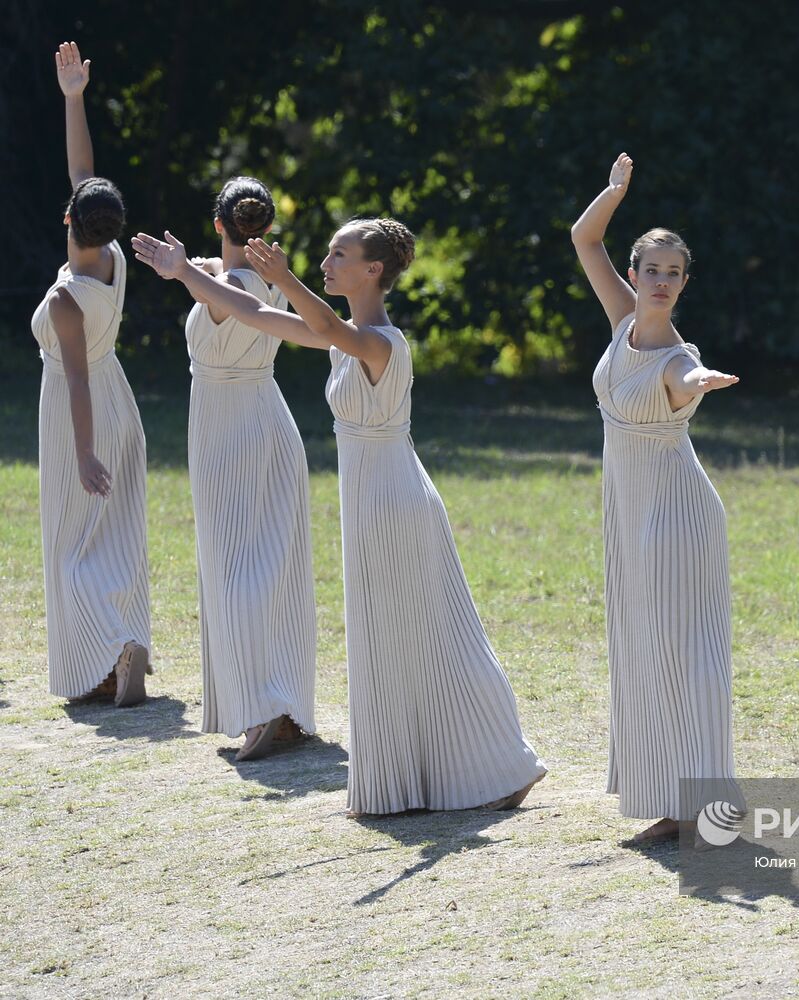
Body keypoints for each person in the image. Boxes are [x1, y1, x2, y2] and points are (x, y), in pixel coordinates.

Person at [131, 221, 546, 814]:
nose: (328, 260)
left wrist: (286, 278)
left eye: (340, 254)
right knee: (398, 644)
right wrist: (185, 274)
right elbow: (254, 311)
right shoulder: (345, 337)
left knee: (439, 639)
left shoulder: (381, 342)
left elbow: (322, 323)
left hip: (398, 507)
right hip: (370, 508)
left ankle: (504, 764)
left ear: (373, 270)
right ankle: (428, 776)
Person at [571, 153, 740, 844]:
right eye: (653, 270)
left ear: (684, 283)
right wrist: (612, 193)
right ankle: (672, 804)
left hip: (676, 516)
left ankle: (705, 805)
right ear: (634, 275)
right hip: (629, 513)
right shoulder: (620, 319)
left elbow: (683, 375)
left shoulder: (677, 354)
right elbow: (584, 240)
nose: (662, 281)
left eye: (674, 273)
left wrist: (698, 381)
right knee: (643, 648)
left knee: (681, 651)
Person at [179, 177, 316, 761]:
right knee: (275, 569)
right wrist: (191, 264)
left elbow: (215, 283)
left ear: (220, 223)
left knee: (234, 566)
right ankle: (276, 702)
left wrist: (179, 265)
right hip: (267, 418)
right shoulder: (260, 278)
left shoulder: (223, 284)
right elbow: (218, 273)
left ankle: (261, 710)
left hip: (226, 428)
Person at [31, 41, 151, 707]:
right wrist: (74, 98)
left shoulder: (64, 296)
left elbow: (73, 381)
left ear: (68, 219)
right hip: (119, 396)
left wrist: (81, 453)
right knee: (116, 528)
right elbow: (85, 174)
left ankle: (110, 653)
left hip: (77, 408)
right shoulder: (110, 260)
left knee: (71, 539)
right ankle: (120, 643)